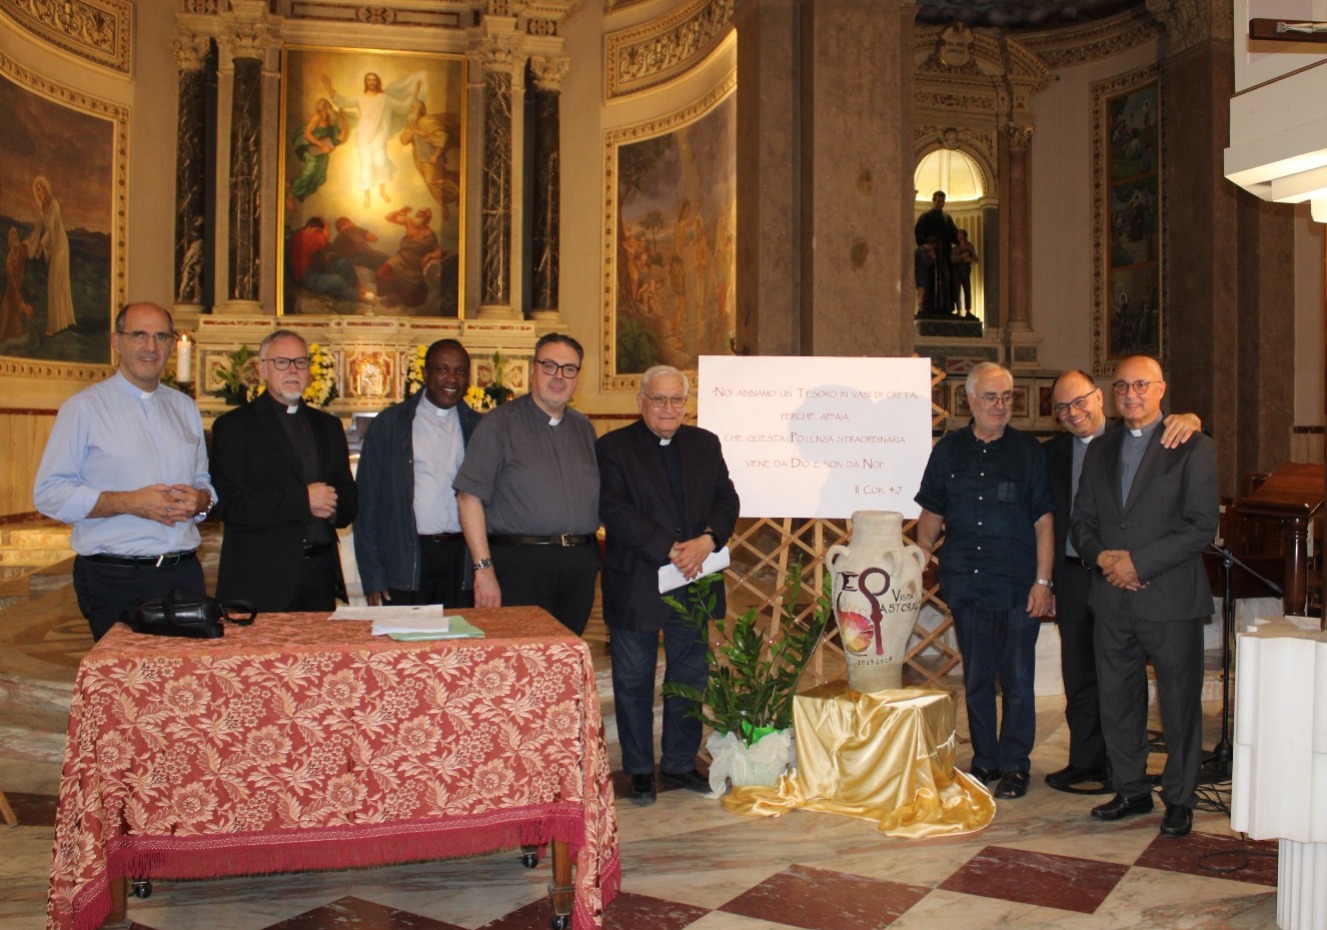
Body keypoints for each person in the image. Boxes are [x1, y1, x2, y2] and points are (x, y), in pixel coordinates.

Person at [1071, 356, 1218, 838]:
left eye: (1140, 385)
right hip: (1112, 600)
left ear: (1160, 389)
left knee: (1179, 705)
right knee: (1117, 701)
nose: (1130, 394)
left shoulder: (1193, 446)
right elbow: (1081, 522)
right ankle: (1131, 789)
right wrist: (1104, 559)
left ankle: (1179, 798)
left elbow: (1201, 526)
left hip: (1169, 599)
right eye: (1121, 386)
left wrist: (1138, 563)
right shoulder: (1100, 449)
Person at [1042, 369, 1200, 794]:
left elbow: (1199, 523)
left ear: (1098, 398)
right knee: (1098, 684)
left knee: (1162, 694)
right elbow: (1072, 520)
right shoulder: (1071, 452)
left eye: (1079, 401)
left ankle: (1161, 787)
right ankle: (1106, 773)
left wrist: (1135, 565)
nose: (1073, 412)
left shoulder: (1171, 439)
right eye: (1062, 407)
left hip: (1154, 587)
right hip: (1090, 581)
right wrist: (1095, 560)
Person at [597, 365, 740, 804]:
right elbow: (612, 507)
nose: (668, 408)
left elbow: (727, 498)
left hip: (695, 577)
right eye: (658, 398)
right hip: (637, 578)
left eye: (677, 399)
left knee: (690, 675)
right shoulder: (612, 447)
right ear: (640, 401)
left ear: (687, 404)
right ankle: (640, 768)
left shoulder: (705, 443)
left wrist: (707, 540)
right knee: (633, 678)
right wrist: (670, 548)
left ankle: (679, 762)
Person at [914, 361, 1054, 801]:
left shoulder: (1029, 453)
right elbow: (931, 511)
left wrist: (1044, 582)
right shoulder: (948, 452)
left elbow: (1044, 522)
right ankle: (985, 759)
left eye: (1007, 397)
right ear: (970, 400)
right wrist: (920, 554)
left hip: (1017, 586)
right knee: (976, 679)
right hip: (967, 584)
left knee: (1017, 681)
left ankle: (1015, 764)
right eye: (991, 397)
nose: (1000, 405)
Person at [33, 302, 214, 640]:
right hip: (116, 577)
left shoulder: (184, 408)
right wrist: (129, 503)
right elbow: (50, 494)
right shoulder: (84, 408)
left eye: (161, 337)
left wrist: (201, 500)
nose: (151, 347)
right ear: (117, 342)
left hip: (182, 573)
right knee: (126, 674)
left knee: (188, 673)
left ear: (172, 345)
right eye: (139, 335)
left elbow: (203, 482)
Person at [455, 333, 600, 635]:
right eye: (549, 365)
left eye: (569, 369)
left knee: (565, 654)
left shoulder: (584, 428)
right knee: (522, 656)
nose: (558, 376)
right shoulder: (499, 424)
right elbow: (468, 498)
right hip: (520, 566)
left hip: (578, 565)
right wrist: (483, 570)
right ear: (533, 370)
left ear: (577, 377)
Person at [210, 328, 357, 612]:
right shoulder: (235, 427)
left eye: (300, 362)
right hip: (261, 578)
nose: (293, 369)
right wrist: (304, 500)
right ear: (262, 369)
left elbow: (349, 497)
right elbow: (229, 503)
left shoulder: (328, 426)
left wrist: (334, 507)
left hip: (320, 576)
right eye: (282, 362)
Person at [354, 338, 481, 607]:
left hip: (462, 558)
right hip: (406, 558)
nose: (452, 379)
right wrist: (373, 576)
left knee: (461, 634)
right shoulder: (390, 425)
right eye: (442, 369)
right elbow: (366, 504)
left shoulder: (479, 428)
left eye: (460, 371)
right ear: (425, 373)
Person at [321, 71, 419, 209]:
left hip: (379, 137)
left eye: (374, 80)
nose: (371, 82)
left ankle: (382, 192)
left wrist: (415, 94)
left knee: (381, 163)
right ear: (366, 82)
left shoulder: (384, 98)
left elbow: (403, 108)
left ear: (377, 82)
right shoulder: (360, 98)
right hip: (364, 137)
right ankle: (367, 196)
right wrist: (329, 88)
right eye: (369, 80)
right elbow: (343, 101)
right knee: (366, 166)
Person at [27, 175, 76, 336]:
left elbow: (50, 230)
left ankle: (55, 325)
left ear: (45, 189)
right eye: (36, 191)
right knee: (55, 283)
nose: (38, 193)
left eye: (39, 189)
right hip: (54, 247)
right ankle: (62, 321)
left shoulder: (54, 205)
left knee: (56, 282)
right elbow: (37, 230)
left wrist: (41, 246)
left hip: (61, 246)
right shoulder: (43, 211)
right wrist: (30, 244)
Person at [376, 206, 440, 309]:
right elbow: (388, 217)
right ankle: (392, 295)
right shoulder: (409, 221)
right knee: (381, 273)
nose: (420, 214)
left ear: (427, 218)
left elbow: (438, 252)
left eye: (423, 213)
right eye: (419, 211)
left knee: (411, 300)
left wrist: (429, 255)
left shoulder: (429, 234)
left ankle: (396, 297)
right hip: (401, 258)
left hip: (415, 264)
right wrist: (399, 211)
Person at [290, 217, 366, 303]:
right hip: (305, 276)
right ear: (309, 226)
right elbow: (323, 240)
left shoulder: (309, 236)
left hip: (316, 269)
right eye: (317, 231)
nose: (319, 233)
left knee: (343, 263)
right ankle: (357, 298)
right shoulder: (303, 235)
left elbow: (319, 255)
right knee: (337, 280)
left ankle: (359, 288)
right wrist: (326, 227)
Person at [290, 98, 346, 202]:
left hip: (320, 150)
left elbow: (341, 137)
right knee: (312, 170)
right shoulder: (317, 117)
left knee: (320, 177)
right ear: (323, 108)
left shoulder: (331, 119)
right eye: (329, 105)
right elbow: (307, 135)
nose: (331, 107)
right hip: (309, 146)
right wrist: (322, 146)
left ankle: (296, 188)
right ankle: (292, 193)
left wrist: (343, 119)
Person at [913, 190, 958, 316]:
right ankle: (929, 308)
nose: (940, 204)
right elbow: (919, 233)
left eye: (942, 202)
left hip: (945, 254)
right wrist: (927, 248)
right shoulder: (925, 216)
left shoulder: (947, 218)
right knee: (930, 280)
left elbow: (954, 234)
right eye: (938, 201)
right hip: (930, 255)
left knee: (946, 280)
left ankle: (945, 308)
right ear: (933, 201)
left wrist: (962, 241)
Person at [951, 229, 978, 315]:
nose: (958, 236)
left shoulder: (969, 246)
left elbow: (975, 258)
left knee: (967, 289)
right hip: (956, 270)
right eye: (958, 234)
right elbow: (952, 259)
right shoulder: (955, 248)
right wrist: (961, 256)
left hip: (965, 269)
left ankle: (968, 310)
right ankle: (959, 310)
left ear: (964, 236)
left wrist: (970, 259)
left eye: (960, 234)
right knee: (957, 289)